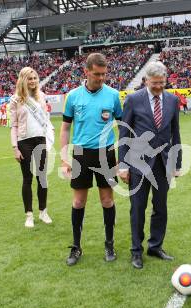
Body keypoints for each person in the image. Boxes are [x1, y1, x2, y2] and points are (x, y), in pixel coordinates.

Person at [118, 61, 182, 269]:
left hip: (163, 164)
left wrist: (176, 162)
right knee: (137, 208)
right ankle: (136, 251)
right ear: (146, 80)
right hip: (137, 163)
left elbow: (175, 133)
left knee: (160, 208)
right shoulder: (133, 99)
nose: (158, 87)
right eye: (154, 83)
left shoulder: (173, 100)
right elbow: (124, 132)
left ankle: (155, 246)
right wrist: (123, 164)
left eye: (161, 83)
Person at [60, 53, 123, 266]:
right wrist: (64, 157)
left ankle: (109, 243)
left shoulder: (113, 95)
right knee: (78, 201)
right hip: (80, 154)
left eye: (104, 74)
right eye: (97, 74)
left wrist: (121, 157)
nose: (101, 78)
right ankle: (76, 247)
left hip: (106, 153)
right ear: (86, 71)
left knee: (107, 200)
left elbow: (123, 128)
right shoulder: (73, 96)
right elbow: (66, 127)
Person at [9, 67, 53, 228]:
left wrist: (49, 139)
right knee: (27, 178)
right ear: (23, 80)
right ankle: (29, 215)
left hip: (40, 140)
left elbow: (46, 121)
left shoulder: (42, 97)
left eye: (35, 78)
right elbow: (13, 125)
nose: (33, 81)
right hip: (24, 142)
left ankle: (43, 211)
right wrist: (15, 147)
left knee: (42, 177)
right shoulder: (15, 100)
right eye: (30, 78)